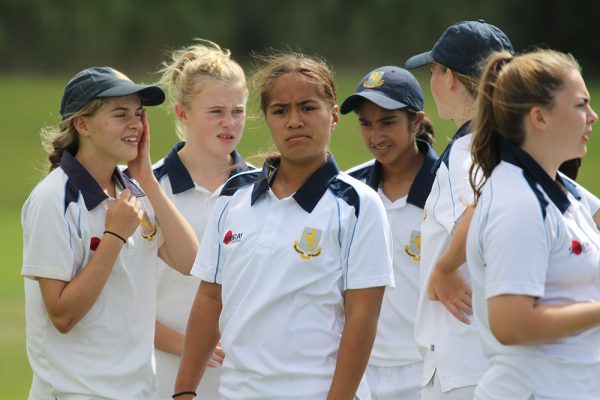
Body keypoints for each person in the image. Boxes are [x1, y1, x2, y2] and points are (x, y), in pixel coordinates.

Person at [173, 52, 394, 400]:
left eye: (308, 107)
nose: (294, 121)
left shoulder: (357, 204)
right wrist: (184, 390)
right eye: (280, 110)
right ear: (267, 119)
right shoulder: (233, 194)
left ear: (333, 115)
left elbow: (361, 318)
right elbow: (209, 298)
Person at [21, 67, 199, 399]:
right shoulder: (52, 199)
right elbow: (62, 315)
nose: (136, 125)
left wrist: (146, 178)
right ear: (82, 124)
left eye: (138, 114)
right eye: (120, 114)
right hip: (76, 393)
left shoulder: (136, 189)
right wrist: (114, 238)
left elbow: (191, 261)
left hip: (140, 391)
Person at [466, 49, 600, 399]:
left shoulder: (556, 187)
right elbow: (512, 324)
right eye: (580, 105)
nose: (593, 116)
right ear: (539, 118)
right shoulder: (518, 203)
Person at [404, 20, 514, 399]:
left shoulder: (467, 151)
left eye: (432, 71)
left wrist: (444, 266)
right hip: (502, 356)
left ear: (449, 77)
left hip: (463, 362)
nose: (431, 81)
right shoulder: (521, 148)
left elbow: (484, 202)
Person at [152, 40, 252, 400]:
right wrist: (189, 347)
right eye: (216, 112)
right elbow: (121, 303)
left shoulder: (266, 190)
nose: (230, 123)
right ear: (182, 113)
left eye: (237, 111)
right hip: (162, 377)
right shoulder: (148, 189)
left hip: (247, 380)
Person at [341, 66, 437, 400]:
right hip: (359, 368)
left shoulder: (453, 188)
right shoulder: (346, 190)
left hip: (431, 369)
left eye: (387, 122)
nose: (375, 135)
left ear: (417, 120)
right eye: (365, 123)